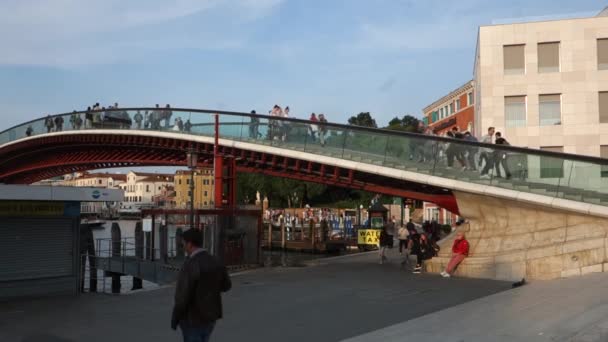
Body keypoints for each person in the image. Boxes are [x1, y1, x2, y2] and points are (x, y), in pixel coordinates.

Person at [171, 229, 232, 342]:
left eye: (183, 243)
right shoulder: (215, 260)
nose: (183, 246)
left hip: (192, 318)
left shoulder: (190, 264)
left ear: (189, 244)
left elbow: (182, 296)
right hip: (210, 316)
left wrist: (175, 318)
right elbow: (226, 285)